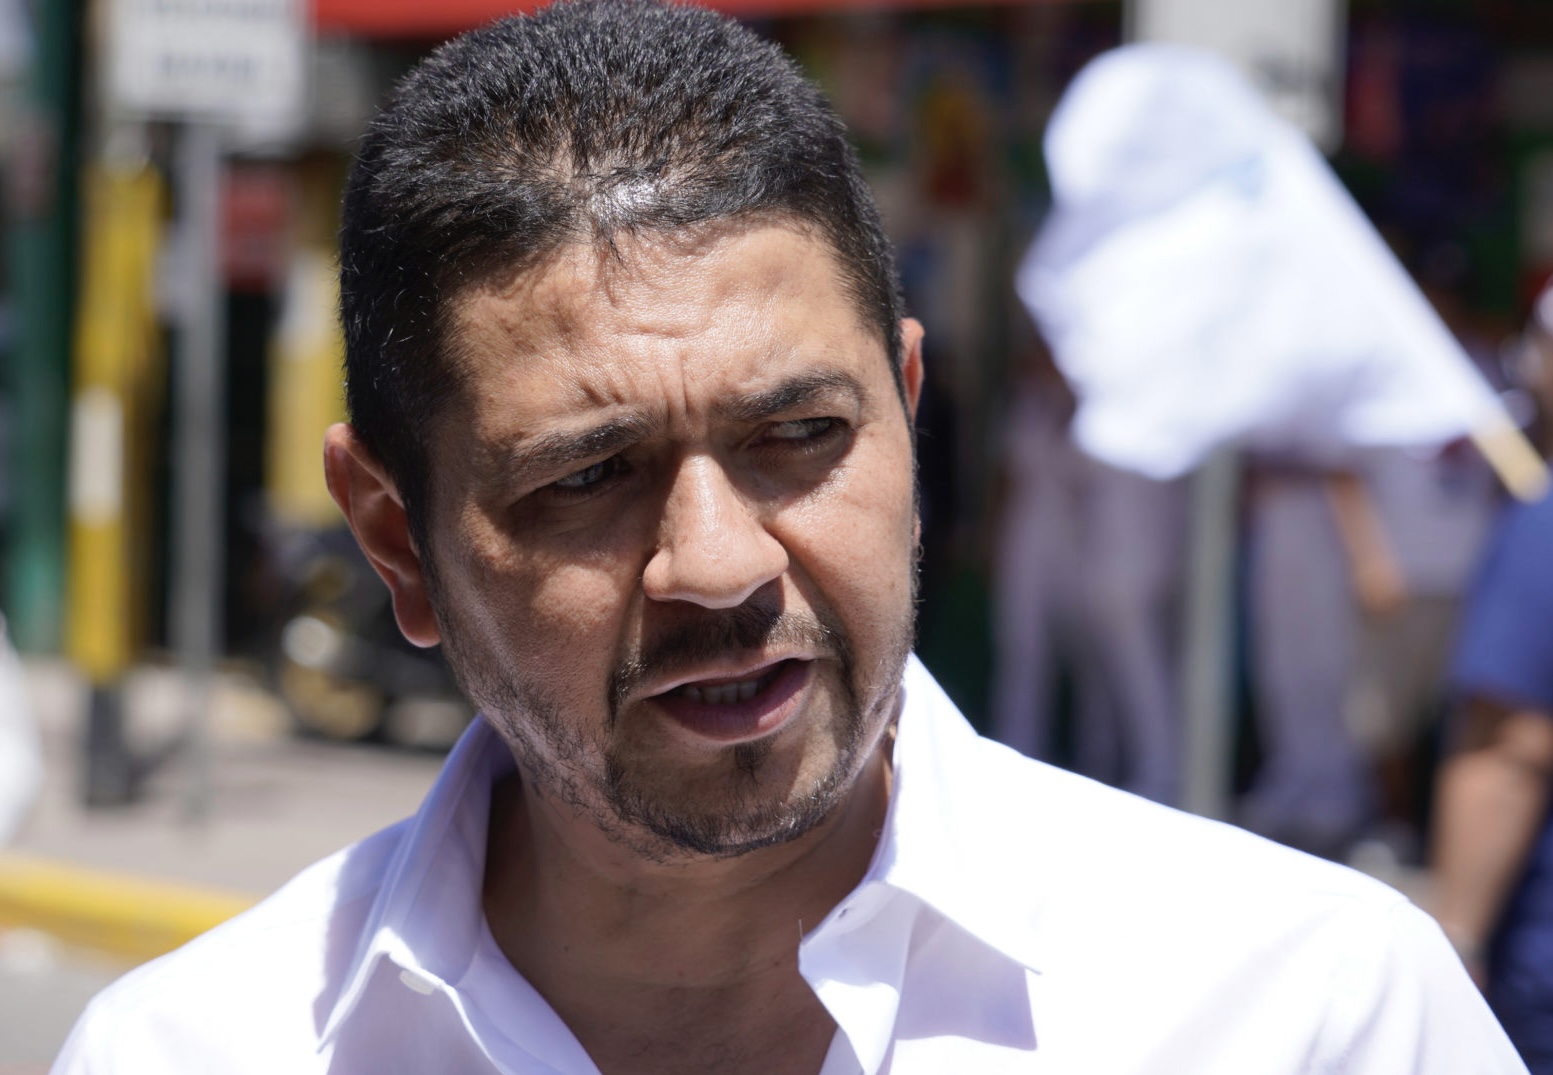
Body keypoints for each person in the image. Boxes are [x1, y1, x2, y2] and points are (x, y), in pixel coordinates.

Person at [55, 4, 1523, 1071]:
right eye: (589, 475)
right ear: (395, 539)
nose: (719, 563)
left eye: (801, 437)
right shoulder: (198, 1049)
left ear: (907, 416)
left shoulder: (1306, 1013)